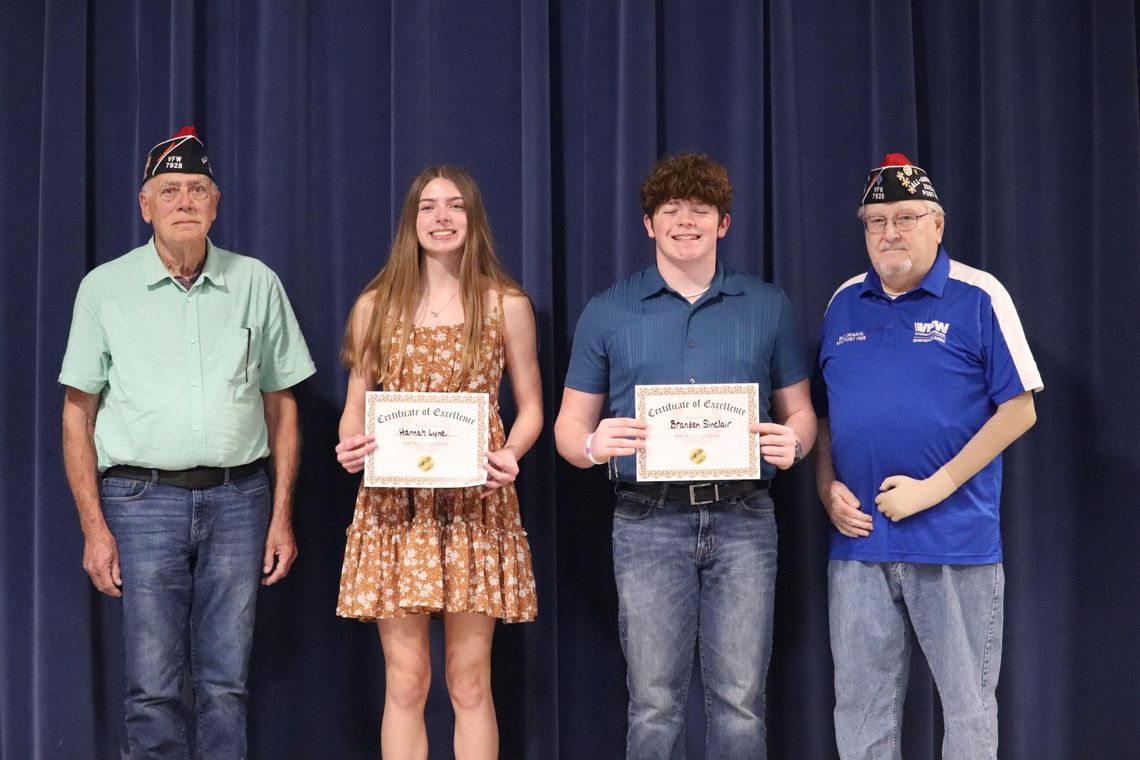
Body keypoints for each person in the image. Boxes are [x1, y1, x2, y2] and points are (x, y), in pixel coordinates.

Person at [59, 126, 316, 759]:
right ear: (145, 205)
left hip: (240, 501)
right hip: (140, 503)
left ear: (217, 202)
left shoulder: (257, 282)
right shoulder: (104, 288)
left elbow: (282, 404)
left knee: (227, 685)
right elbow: (76, 417)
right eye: (169, 190)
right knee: (153, 688)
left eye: (197, 188)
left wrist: (281, 515)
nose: (184, 201)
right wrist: (94, 527)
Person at [553, 153, 816, 760]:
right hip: (646, 521)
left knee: (741, 702)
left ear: (723, 223)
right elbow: (570, 429)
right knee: (652, 703)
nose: (685, 222)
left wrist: (795, 442)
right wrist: (594, 447)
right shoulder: (608, 310)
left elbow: (801, 413)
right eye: (670, 210)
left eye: (701, 210)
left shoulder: (767, 305)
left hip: (746, 518)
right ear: (648, 224)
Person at [815, 153, 1043, 759]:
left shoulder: (979, 294)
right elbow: (831, 414)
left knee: (968, 709)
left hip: (954, 541)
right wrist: (825, 486)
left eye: (906, 217)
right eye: (875, 220)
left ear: (937, 225)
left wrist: (935, 486)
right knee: (860, 712)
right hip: (859, 546)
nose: (890, 231)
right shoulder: (843, 303)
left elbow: (1020, 409)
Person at [334, 166, 541, 760]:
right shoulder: (376, 306)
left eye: (455, 206)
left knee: (469, 679)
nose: (442, 218)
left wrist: (510, 453)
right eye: (428, 207)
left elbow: (530, 406)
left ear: (473, 219)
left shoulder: (506, 305)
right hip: (395, 509)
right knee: (405, 681)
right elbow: (355, 408)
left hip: (476, 504)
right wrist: (350, 444)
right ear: (412, 222)